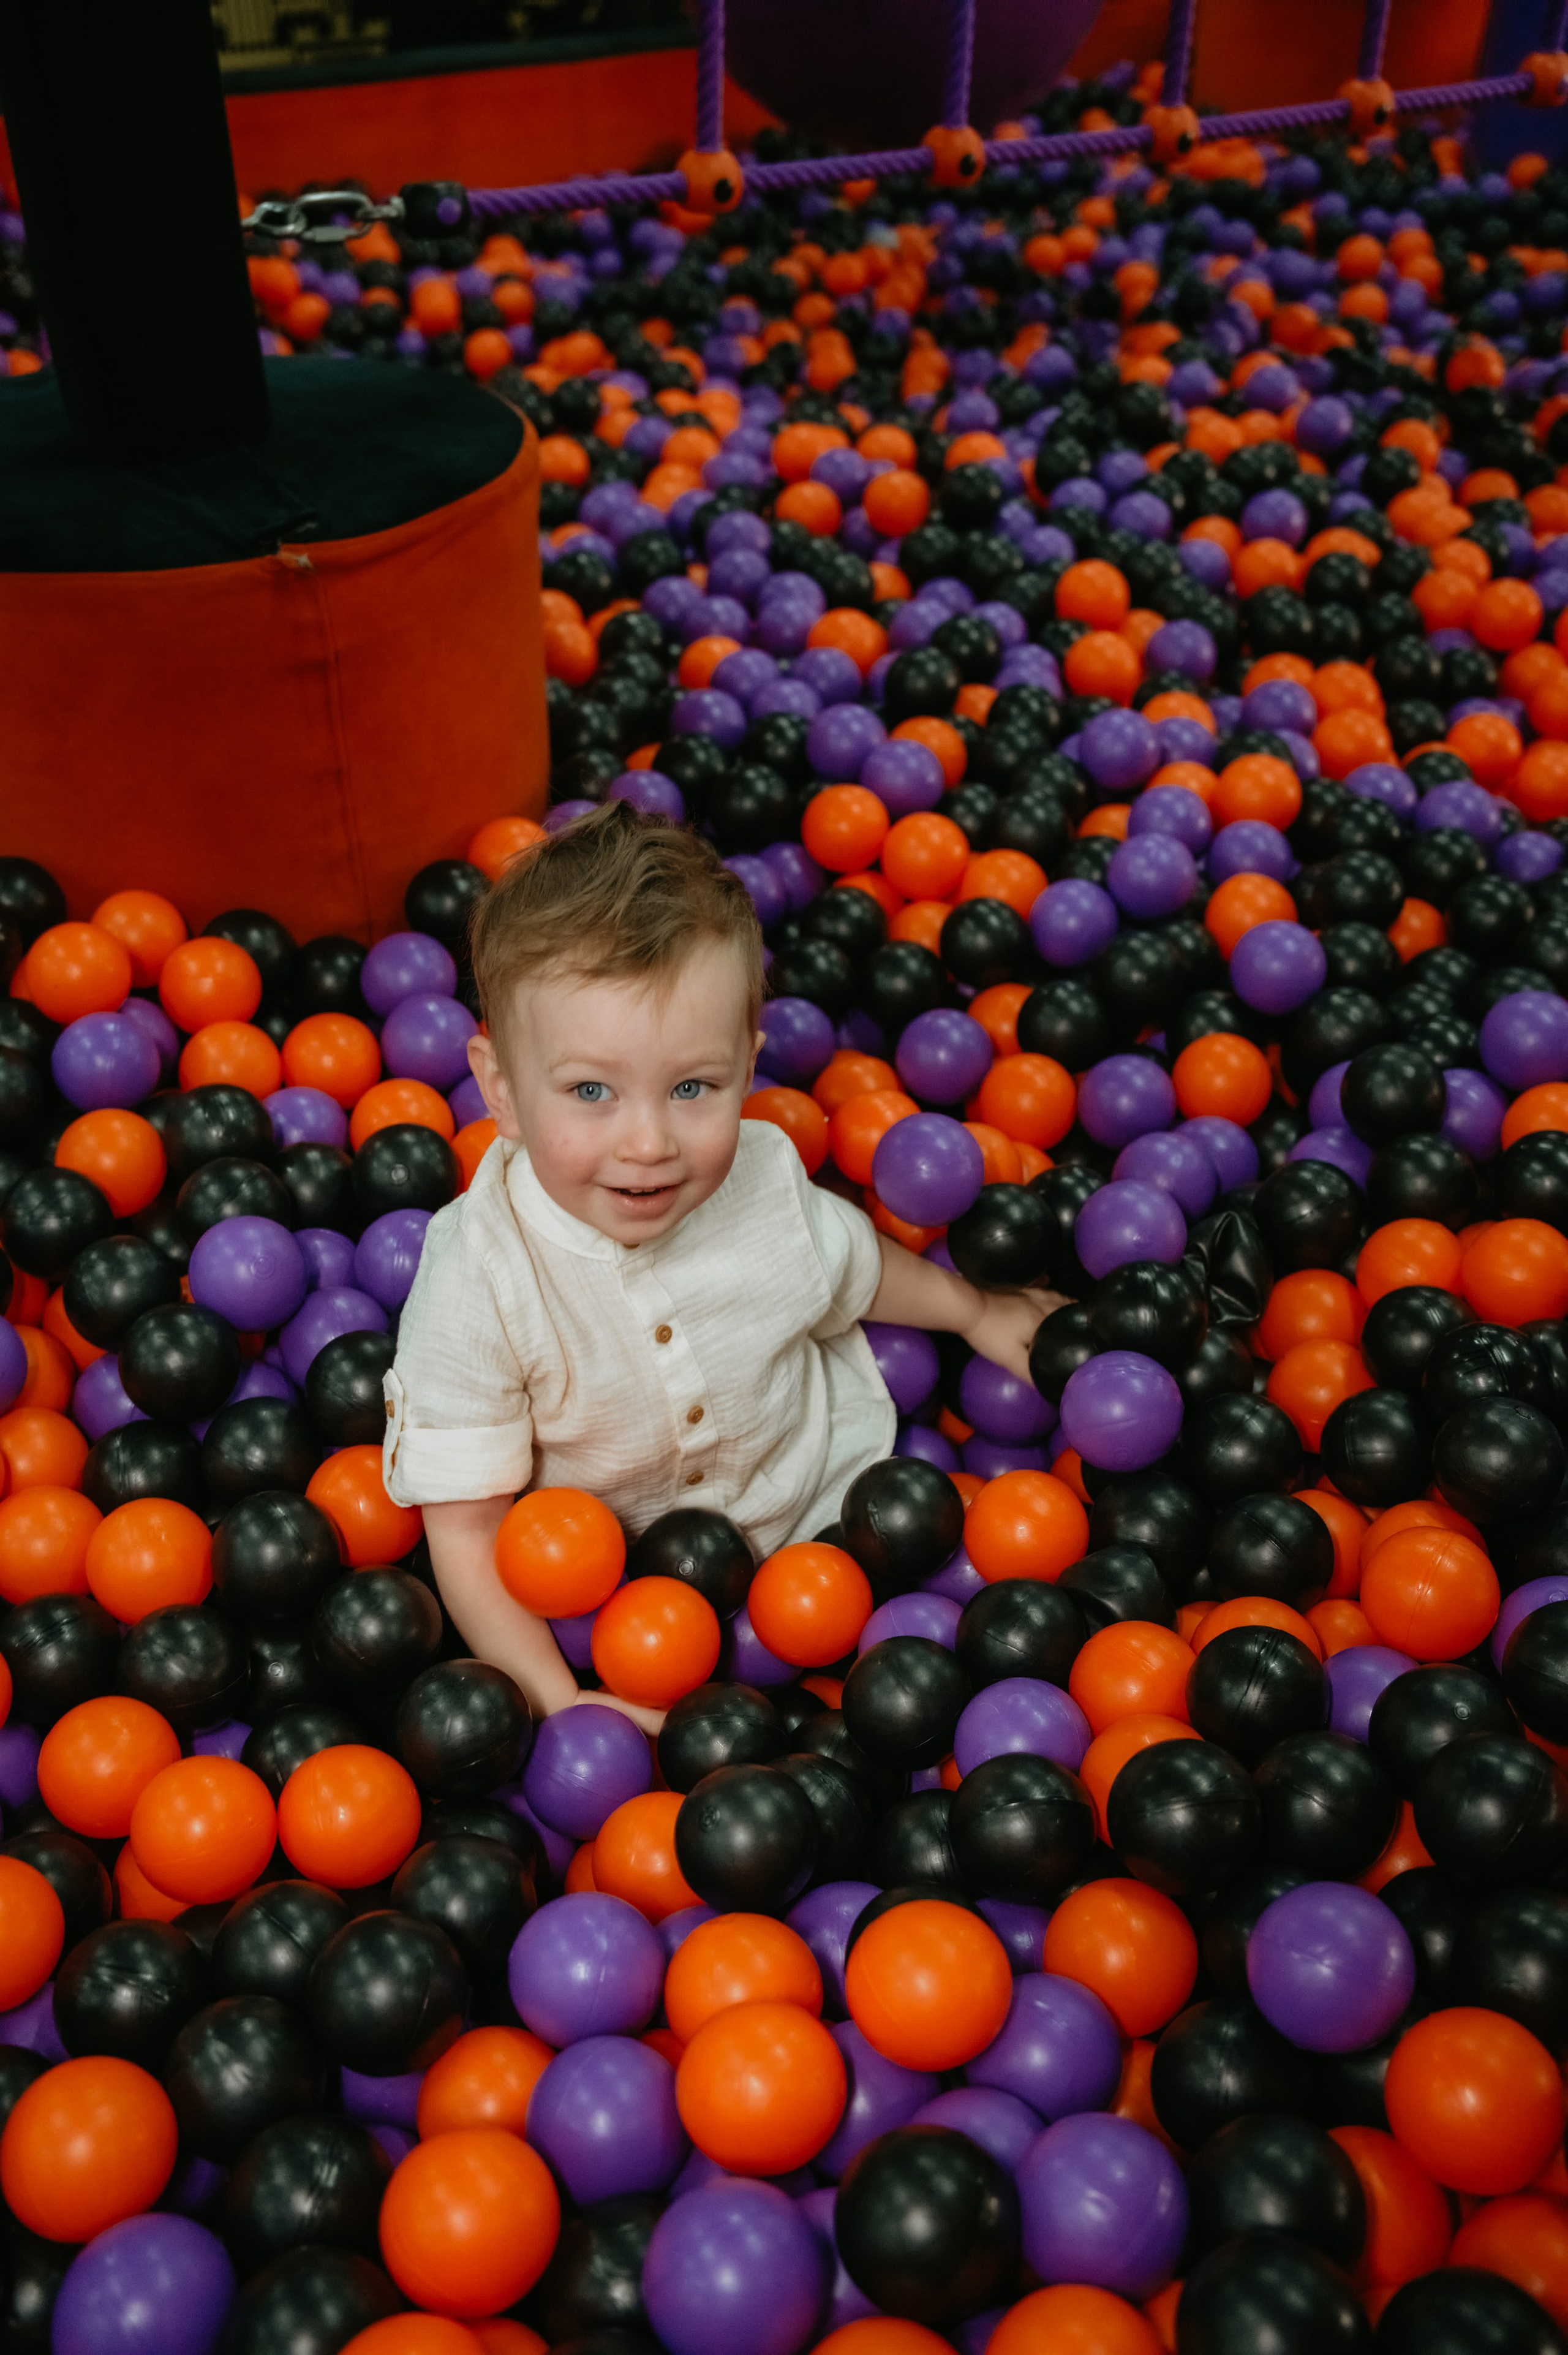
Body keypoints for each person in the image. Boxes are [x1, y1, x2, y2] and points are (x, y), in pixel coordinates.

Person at [385, 801, 1060, 1728]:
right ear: (500, 1088)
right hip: (615, 1601)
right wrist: (564, 1702)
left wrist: (976, 1311)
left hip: (826, 1507)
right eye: (591, 1091)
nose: (650, 1142)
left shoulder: (762, 1178)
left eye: (693, 1088)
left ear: (748, 1066)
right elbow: (464, 1529)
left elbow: (853, 1271)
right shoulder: (478, 1278)